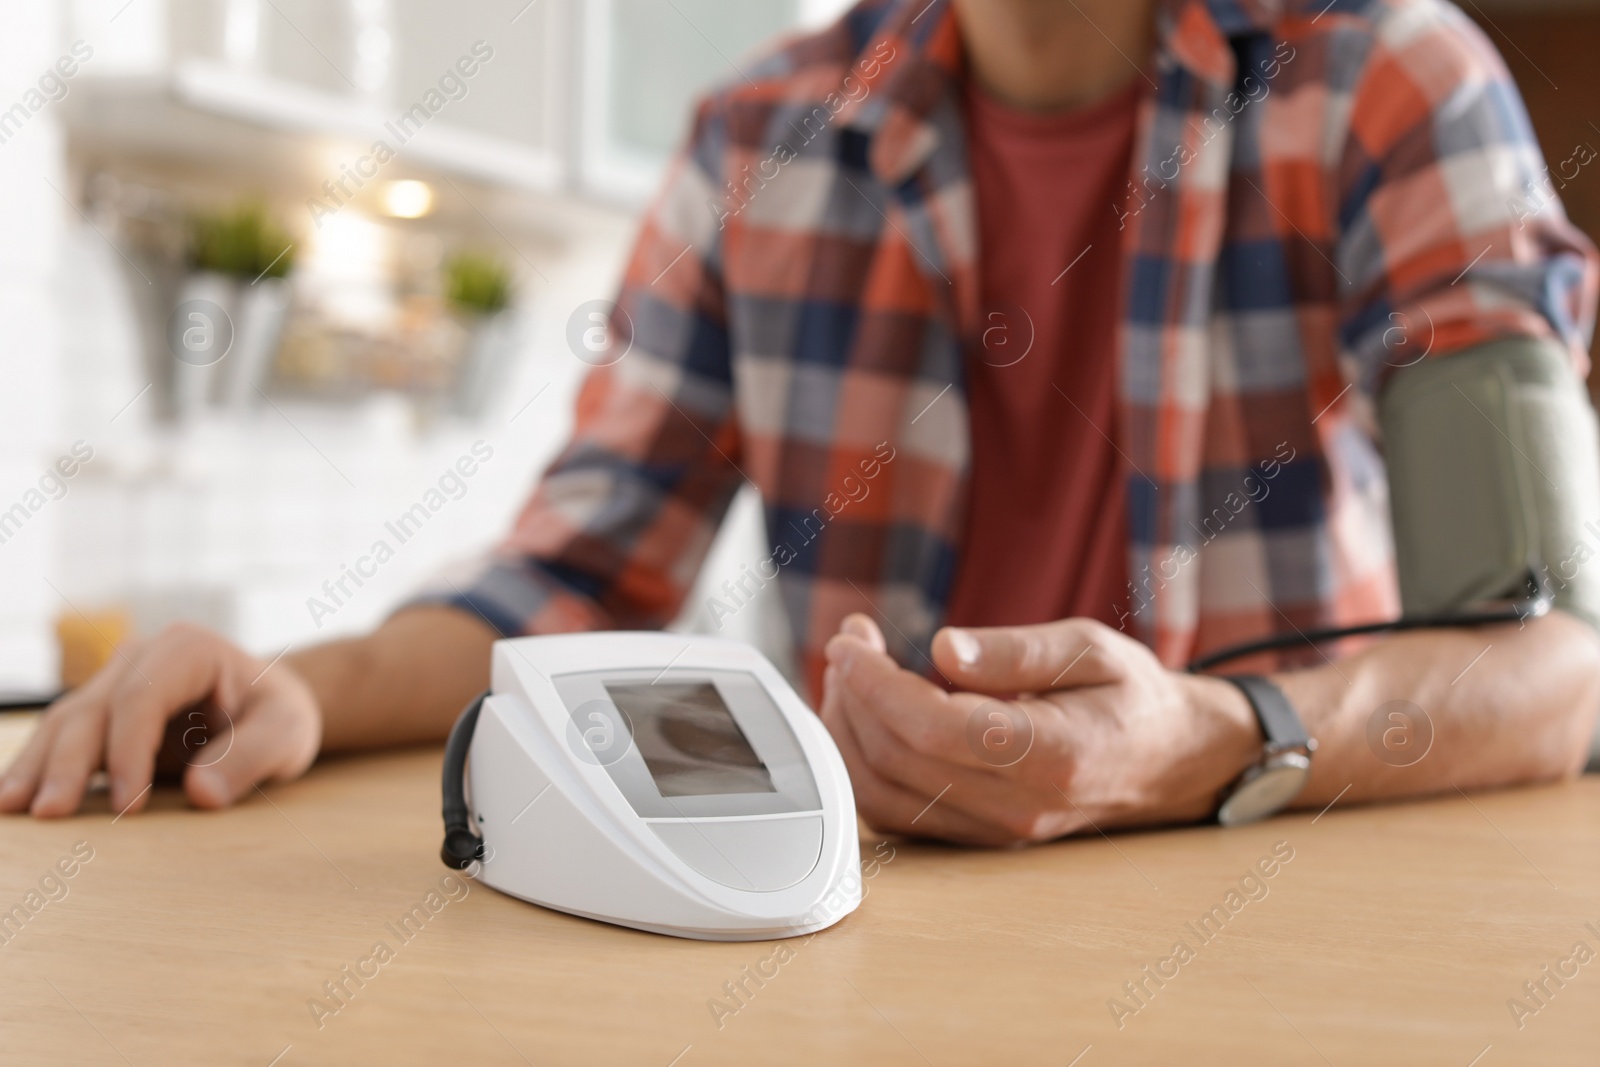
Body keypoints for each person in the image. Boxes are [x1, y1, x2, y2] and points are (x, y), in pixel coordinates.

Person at [6, 0, 1600, 844]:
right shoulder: (754, 138)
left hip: (1285, 893)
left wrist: (1200, 744)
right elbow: (576, 580)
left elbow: (1552, 659)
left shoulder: (1393, 79)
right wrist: (293, 680)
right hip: (868, 911)